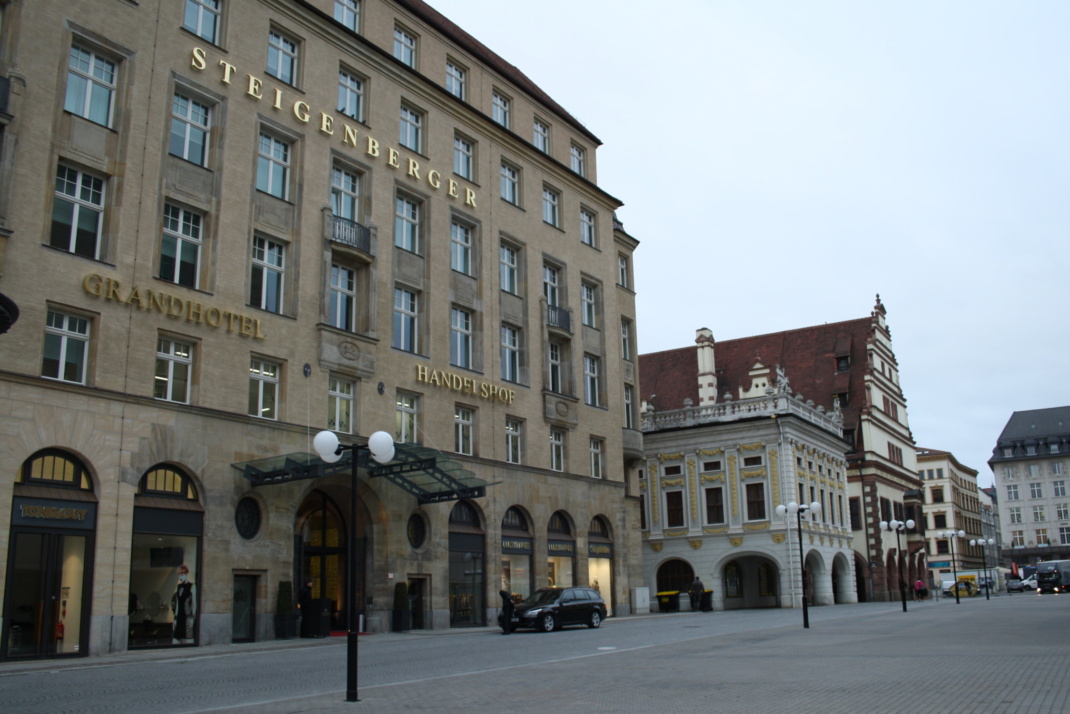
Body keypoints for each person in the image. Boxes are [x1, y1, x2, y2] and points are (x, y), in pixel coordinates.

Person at [171, 564, 195, 644]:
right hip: (179, 616)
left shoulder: (192, 586)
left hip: (188, 616)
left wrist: (193, 618)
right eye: (179, 575)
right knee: (175, 640)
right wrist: (175, 619)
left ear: (186, 574)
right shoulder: (179, 587)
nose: (180, 577)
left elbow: (194, 604)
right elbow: (177, 603)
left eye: (182, 575)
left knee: (189, 639)